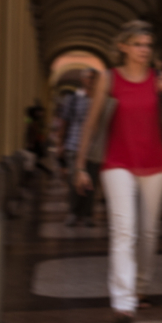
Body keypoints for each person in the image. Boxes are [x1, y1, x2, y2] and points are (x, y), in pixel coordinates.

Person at [75, 21, 162, 323]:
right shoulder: (108, 79)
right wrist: (80, 165)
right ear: (122, 47)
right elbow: (92, 122)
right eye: (138, 44)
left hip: (156, 163)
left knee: (147, 233)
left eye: (148, 45)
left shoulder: (159, 79)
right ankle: (123, 303)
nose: (144, 50)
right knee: (124, 231)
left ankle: (140, 286)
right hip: (116, 162)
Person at [57, 69, 99, 227]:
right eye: (89, 77)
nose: (91, 81)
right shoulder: (73, 98)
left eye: (94, 78)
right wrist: (60, 144)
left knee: (92, 182)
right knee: (74, 180)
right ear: (82, 79)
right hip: (74, 144)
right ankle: (73, 213)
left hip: (94, 147)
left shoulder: (99, 98)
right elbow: (64, 122)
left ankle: (87, 214)